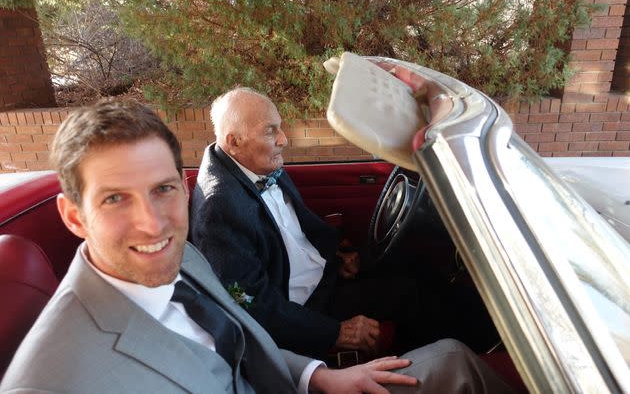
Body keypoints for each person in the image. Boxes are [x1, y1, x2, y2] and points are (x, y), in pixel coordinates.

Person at [0, 99, 514, 393]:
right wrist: (334, 335)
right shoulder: (47, 382)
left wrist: (317, 377)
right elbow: (263, 310)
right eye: (115, 199)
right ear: (74, 217)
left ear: (182, 187)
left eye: (162, 189)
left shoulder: (185, 259)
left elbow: (240, 342)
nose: (152, 222)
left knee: (453, 362)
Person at [190, 85, 447, 359]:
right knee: (408, 294)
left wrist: (339, 254)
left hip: (323, 276)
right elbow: (252, 305)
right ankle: (447, 362)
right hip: (303, 308)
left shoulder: (256, 164)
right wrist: (335, 332)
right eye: (270, 131)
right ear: (234, 141)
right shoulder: (220, 208)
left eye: (280, 128)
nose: (283, 140)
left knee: (413, 263)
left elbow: (303, 229)